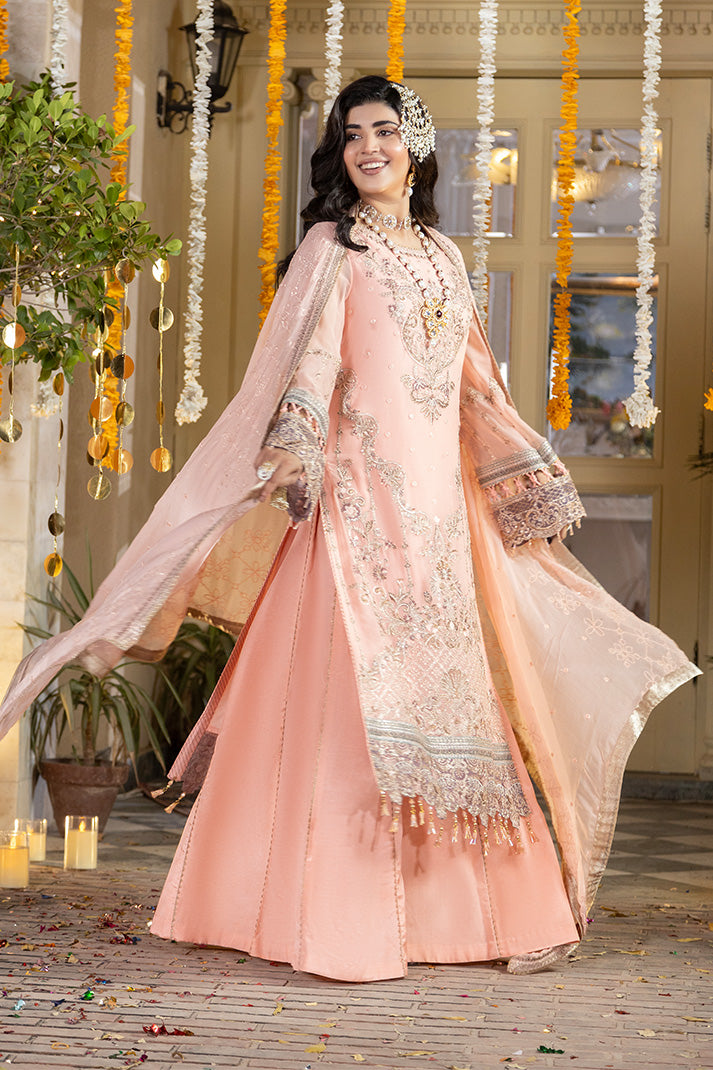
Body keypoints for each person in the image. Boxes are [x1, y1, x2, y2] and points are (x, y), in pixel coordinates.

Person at [0, 77, 698, 981]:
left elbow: (473, 386)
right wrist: (295, 447)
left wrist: (525, 481)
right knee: (348, 716)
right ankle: (330, 921)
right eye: (352, 133)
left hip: (439, 526)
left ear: (415, 145)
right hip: (353, 515)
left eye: (385, 130)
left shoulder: (443, 256)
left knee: (456, 715)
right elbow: (311, 361)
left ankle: (496, 920)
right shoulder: (334, 246)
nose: (369, 146)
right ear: (340, 151)